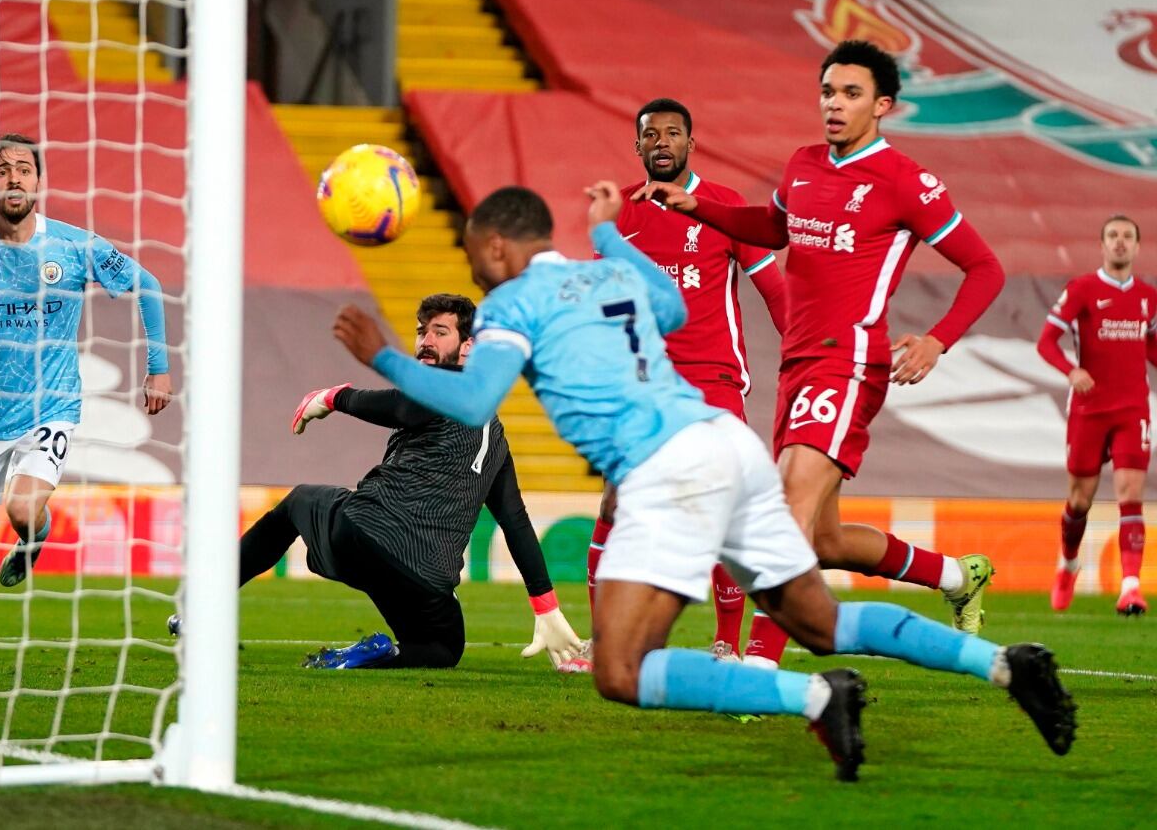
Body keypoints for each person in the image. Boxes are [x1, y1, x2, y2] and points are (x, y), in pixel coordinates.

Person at [333, 183, 1075, 781]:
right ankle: (1008, 665)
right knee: (823, 624)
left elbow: (469, 401)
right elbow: (677, 307)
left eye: (472, 255)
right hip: (728, 444)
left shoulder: (510, 306)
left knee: (621, 669)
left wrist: (383, 358)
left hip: (667, 470)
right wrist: (611, 236)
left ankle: (816, 695)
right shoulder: (609, 268)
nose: (471, 269)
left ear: (496, 246)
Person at [634, 40, 1007, 666]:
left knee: (785, 514)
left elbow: (985, 268)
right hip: (799, 365)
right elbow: (774, 229)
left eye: (851, 94)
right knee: (824, 538)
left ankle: (758, 670)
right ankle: (955, 576)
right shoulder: (804, 164)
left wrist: (939, 339)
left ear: (883, 105)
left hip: (851, 362)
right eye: (828, 92)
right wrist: (700, 206)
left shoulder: (904, 181)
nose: (834, 105)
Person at [174, 294, 583, 670]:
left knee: (297, 503)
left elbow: (404, 407)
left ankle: (201, 608)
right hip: (425, 574)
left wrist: (335, 397)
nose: (425, 340)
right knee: (440, 650)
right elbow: (515, 521)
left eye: (440, 332)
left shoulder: (449, 387)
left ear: (469, 347)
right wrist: (544, 605)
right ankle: (379, 654)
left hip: (366, 535)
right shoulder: (496, 439)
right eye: (422, 331)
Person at [0, 134, 172, 665]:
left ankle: (33, 536)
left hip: (52, 405)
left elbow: (149, 284)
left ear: (40, 182)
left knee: (22, 508)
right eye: (3, 171)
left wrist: (158, 368)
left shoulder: (73, 247)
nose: (15, 178)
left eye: (25, 169)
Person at [585, 98, 789, 664]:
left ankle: (727, 638)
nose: (662, 142)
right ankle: (605, 640)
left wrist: (803, 353)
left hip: (712, 378)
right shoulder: (619, 214)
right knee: (614, 504)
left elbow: (774, 290)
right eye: (651, 134)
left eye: (673, 133)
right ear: (638, 146)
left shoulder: (723, 206)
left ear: (690, 144)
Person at [1038, 215, 1153, 615]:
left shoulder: (1148, 298)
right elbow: (1046, 341)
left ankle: (1131, 587)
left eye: (1127, 237)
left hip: (1132, 408)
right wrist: (1071, 371)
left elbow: (1150, 347)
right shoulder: (1083, 289)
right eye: (1113, 236)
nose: (1120, 243)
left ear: (1138, 247)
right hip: (1088, 410)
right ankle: (1068, 564)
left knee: (1130, 494)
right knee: (1079, 501)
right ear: (1101, 245)